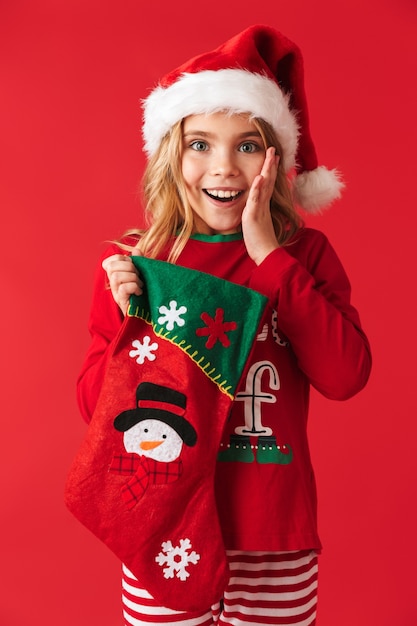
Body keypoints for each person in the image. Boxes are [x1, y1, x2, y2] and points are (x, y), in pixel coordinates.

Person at [76, 25, 371, 626]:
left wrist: (270, 258)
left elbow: (345, 375)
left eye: (247, 145)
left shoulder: (303, 258)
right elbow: (92, 410)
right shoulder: (138, 264)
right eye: (201, 144)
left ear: (276, 157)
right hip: (165, 529)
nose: (224, 167)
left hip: (274, 536)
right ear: (171, 154)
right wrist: (135, 331)